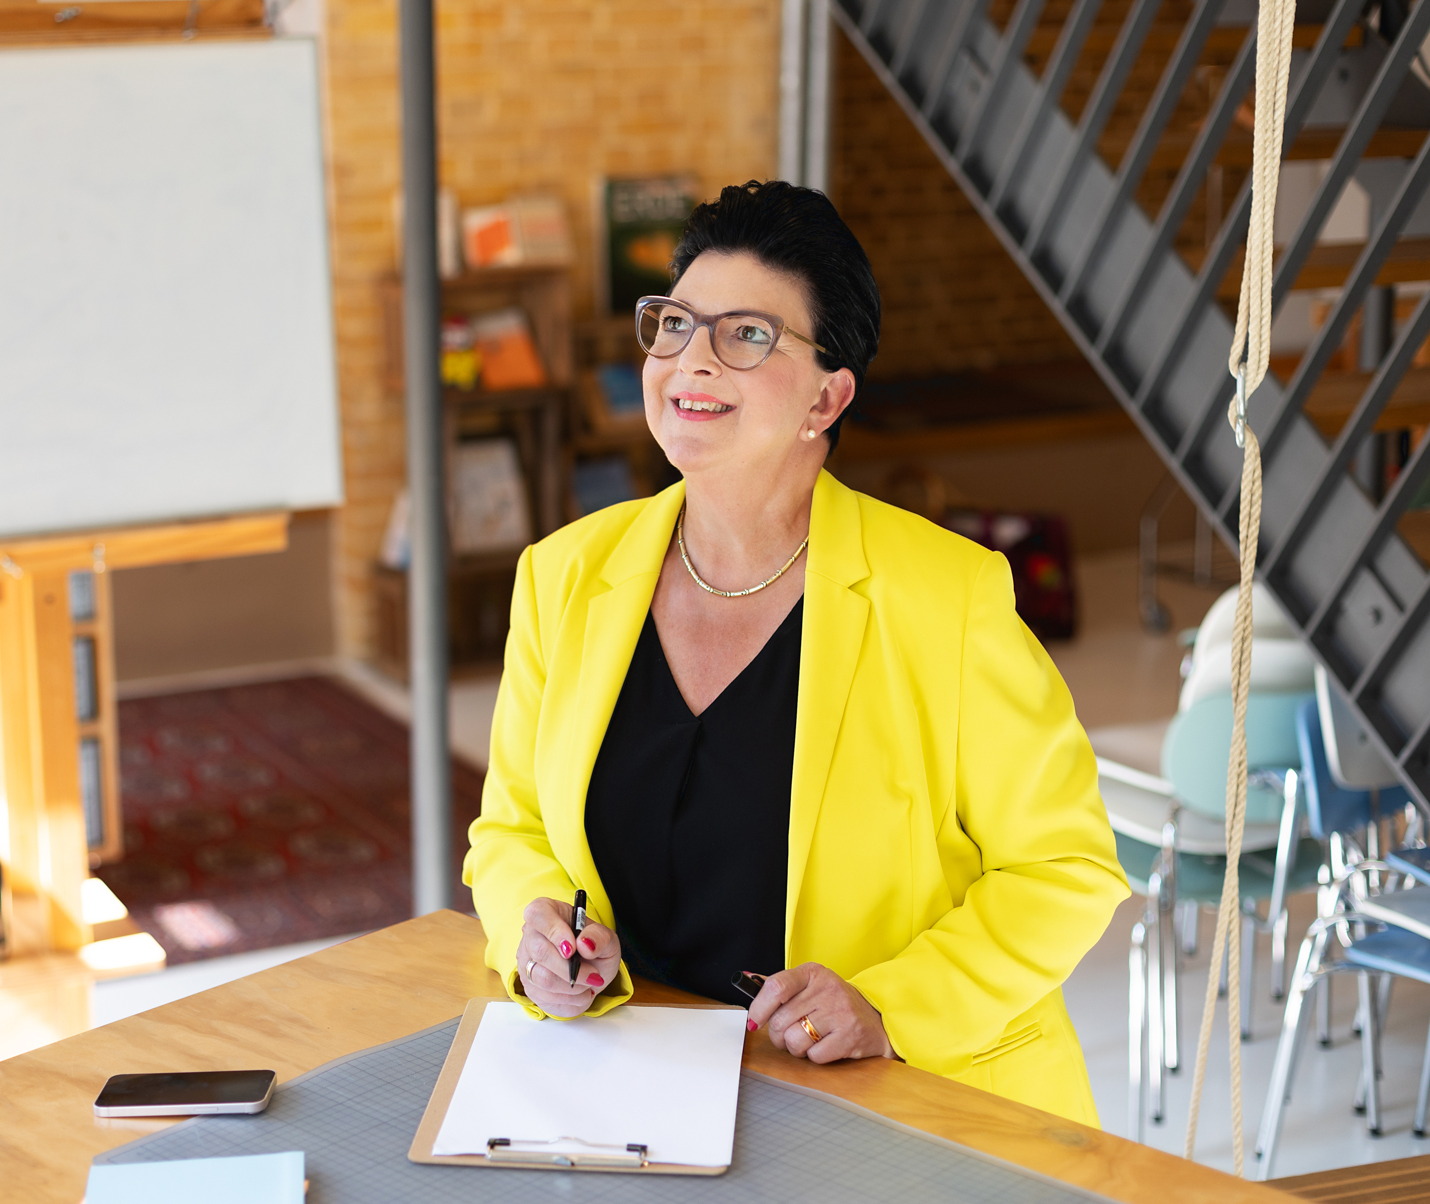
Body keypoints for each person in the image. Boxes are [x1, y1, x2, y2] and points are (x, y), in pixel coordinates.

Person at [462, 180, 1127, 1125]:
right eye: (676, 324)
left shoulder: (948, 595)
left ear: (829, 395)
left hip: (883, 1110)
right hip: (630, 1093)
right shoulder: (564, 577)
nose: (692, 360)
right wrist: (532, 931)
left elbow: (1065, 867)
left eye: (746, 335)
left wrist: (891, 1005)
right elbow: (510, 833)